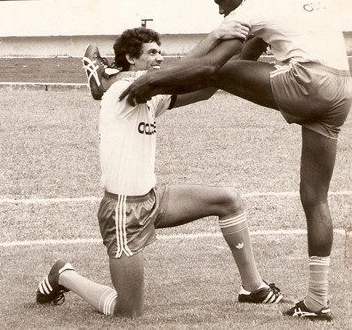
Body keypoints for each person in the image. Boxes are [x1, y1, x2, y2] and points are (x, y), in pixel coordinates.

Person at [116, 0, 351, 322]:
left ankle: (137, 88)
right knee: (314, 196)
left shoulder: (252, 5)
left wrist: (152, 81)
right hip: (341, 90)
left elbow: (214, 65)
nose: (221, 10)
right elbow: (249, 56)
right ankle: (318, 300)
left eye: (221, 1)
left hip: (309, 82)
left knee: (217, 72)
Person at [36, 27, 285, 318]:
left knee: (229, 200)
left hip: (152, 200)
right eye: (152, 53)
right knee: (128, 311)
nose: (159, 58)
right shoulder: (122, 88)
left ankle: (253, 287)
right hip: (123, 213)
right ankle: (64, 274)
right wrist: (218, 35)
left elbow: (205, 88)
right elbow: (185, 69)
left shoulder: (150, 94)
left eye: (159, 51)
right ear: (130, 58)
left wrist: (251, 42)